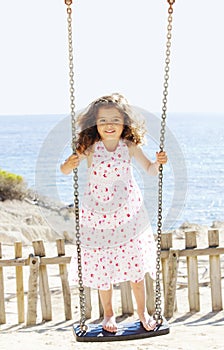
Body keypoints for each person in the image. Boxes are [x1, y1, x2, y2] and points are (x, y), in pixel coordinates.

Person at [60, 93, 168, 333]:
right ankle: (108, 315)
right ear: (94, 125)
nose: (109, 125)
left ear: (125, 123)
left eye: (115, 120)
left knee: (136, 266)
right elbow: (65, 171)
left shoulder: (129, 146)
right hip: (97, 215)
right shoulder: (89, 148)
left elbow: (150, 170)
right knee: (101, 266)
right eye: (103, 121)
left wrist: (159, 162)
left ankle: (143, 312)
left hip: (128, 213)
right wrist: (70, 163)